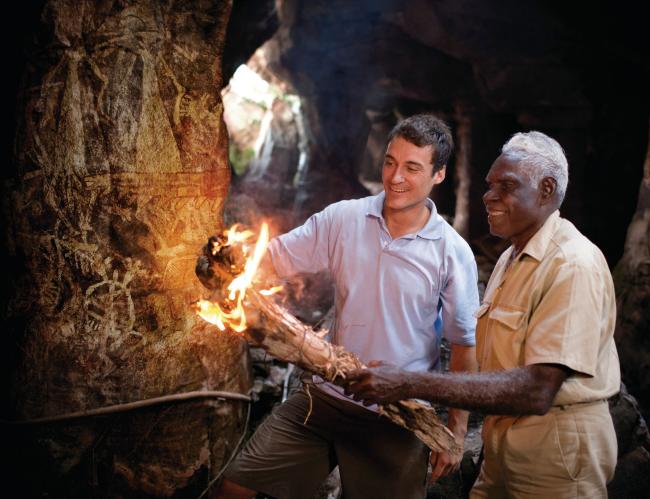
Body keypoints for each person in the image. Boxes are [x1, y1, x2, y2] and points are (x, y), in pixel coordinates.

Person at [215, 114, 479, 499]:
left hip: (395, 414)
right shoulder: (344, 218)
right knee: (236, 486)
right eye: (390, 161)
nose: (395, 177)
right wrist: (225, 261)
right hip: (324, 397)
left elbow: (463, 345)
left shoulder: (452, 252)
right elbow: (273, 258)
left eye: (411, 167)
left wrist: (454, 430)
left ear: (438, 175)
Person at [346, 131, 621, 498]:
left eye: (506, 186)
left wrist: (408, 382)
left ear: (546, 190)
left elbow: (538, 390)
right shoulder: (511, 258)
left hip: (556, 449)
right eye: (490, 185)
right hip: (503, 446)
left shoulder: (572, 264)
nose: (489, 196)